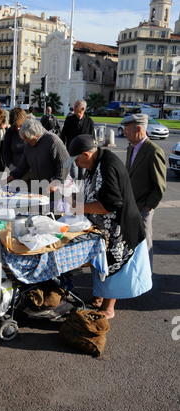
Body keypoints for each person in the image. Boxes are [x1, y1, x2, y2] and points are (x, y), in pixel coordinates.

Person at [64, 134, 152, 319]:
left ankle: (108, 308)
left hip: (120, 229)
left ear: (86, 155)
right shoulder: (96, 162)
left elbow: (110, 204)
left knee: (113, 266)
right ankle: (98, 299)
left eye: (76, 159)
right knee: (101, 264)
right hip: (105, 228)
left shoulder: (107, 166)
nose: (76, 164)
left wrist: (79, 208)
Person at [121, 113, 167, 268]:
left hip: (142, 207)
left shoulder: (154, 151)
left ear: (139, 129)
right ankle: (134, 271)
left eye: (127, 129)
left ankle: (147, 274)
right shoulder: (131, 148)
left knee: (144, 242)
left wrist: (147, 207)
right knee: (131, 241)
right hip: (130, 205)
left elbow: (160, 186)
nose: (124, 132)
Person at [7, 118, 69, 197]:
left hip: (54, 190)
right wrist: (6, 180)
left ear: (36, 135)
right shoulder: (28, 144)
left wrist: (57, 181)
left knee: (52, 208)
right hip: (37, 188)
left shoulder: (53, 141)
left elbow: (65, 163)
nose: (25, 141)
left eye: (26, 138)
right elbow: (22, 167)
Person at [60, 100, 95, 179]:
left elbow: (92, 138)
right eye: (74, 106)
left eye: (76, 106)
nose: (74, 108)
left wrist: (93, 152)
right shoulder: (69, 120)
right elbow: (63, 135)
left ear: (82, 109)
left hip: (84, 153)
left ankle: (80, 190)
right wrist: (62, 149)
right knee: (74, 173)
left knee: (81, 174)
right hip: (72, 152)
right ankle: (74, 190)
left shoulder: (89, 121)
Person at [3, 107, 28, 172]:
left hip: (31, 170)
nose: (18, 128)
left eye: (20, 125)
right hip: (15, 169)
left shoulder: (30, 130)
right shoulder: (10, 132)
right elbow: (6, 151)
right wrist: (10, 166)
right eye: (15, 126)